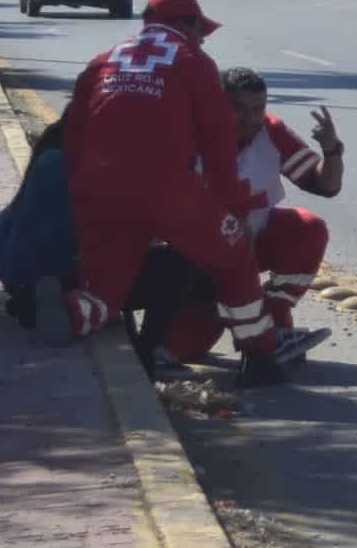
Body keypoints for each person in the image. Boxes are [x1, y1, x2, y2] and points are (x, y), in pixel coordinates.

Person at [54, 0, 282, 376]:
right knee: (235, 258)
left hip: (97, 191)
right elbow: (218, 144)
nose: (203, 38)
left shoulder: (103, 60)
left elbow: (72, 136)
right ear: (187, 24)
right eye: (200, 29)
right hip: (166, 190)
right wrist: (231, 207)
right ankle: (259, 357)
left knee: (109, 291)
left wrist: (82, 198)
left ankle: (72, 311)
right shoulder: (194, 61)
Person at [140, 66, 341, 370]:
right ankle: (251, 330)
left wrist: (332, 150)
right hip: (195, 264)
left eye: (258, 109)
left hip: (249, 249)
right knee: (180, 349)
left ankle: (274, 322)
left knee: (307, 228)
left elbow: (326, 186)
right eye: (238, 109)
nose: (250, 119)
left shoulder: (271, 133)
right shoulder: (186, 137)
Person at [0, 122, 79, 337]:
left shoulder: (40, 167)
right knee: (168, 264)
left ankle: (30, 296)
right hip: (68, 268)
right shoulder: (82, 167)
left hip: (16, 272)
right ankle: (151, 347)